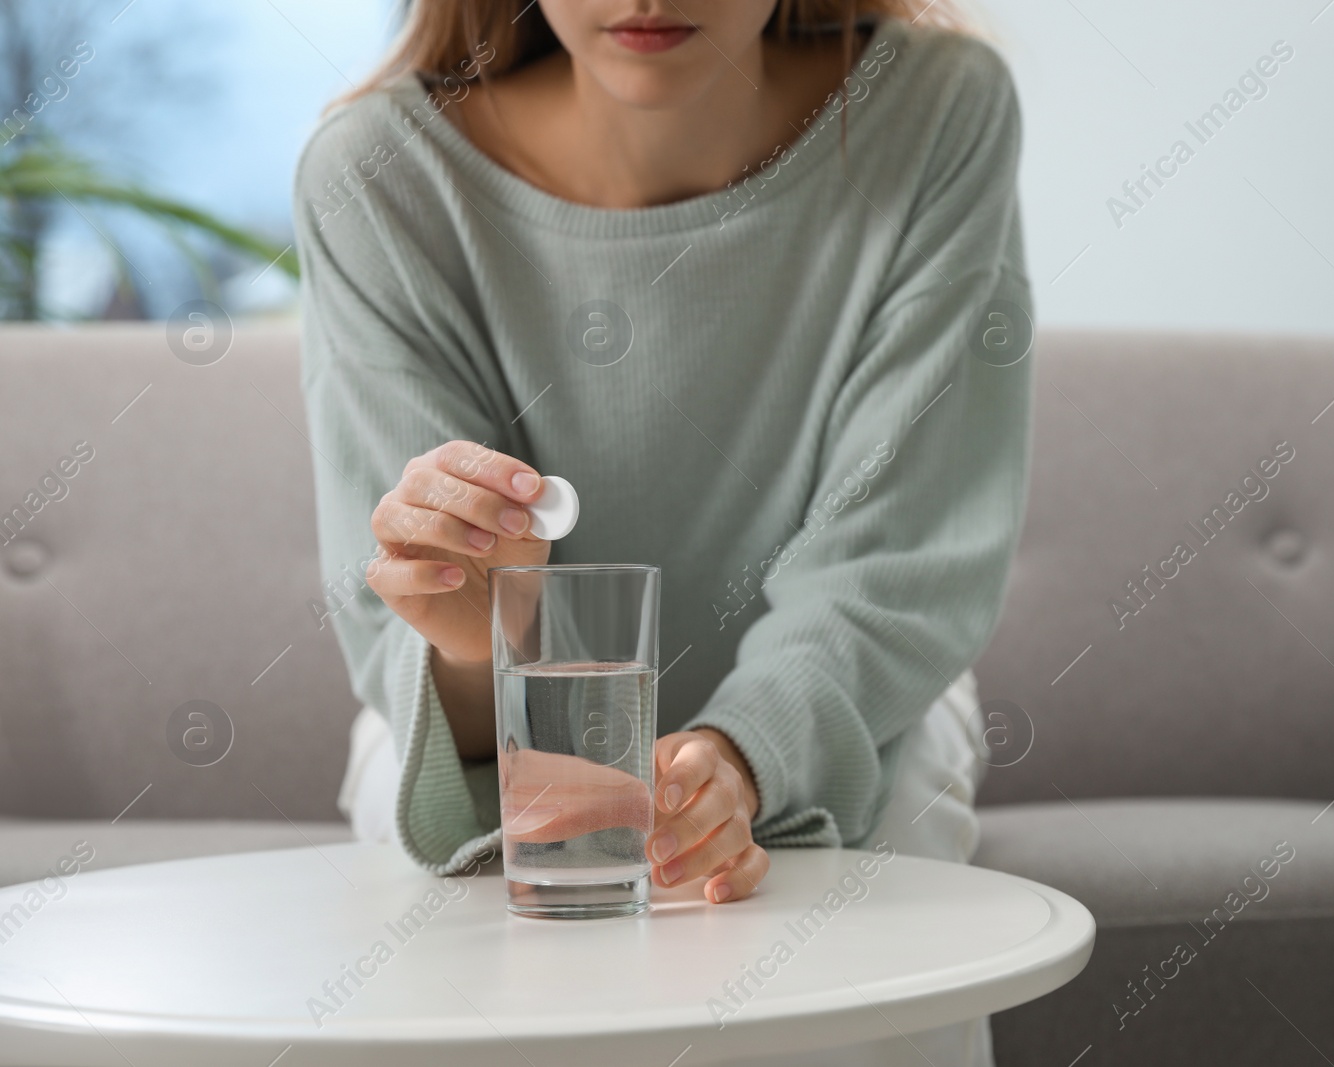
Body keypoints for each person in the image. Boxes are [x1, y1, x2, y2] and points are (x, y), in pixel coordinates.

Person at [294, 2, 1032, 1063]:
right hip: (475, 725)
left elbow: (897, 560)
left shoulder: (933, 113)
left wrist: (741, 753)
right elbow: (408, 642)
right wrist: (471, 636)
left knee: (869, 966)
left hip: (851, 700)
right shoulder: (376, 177)